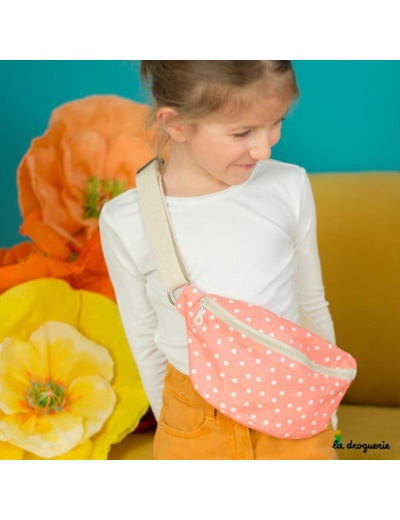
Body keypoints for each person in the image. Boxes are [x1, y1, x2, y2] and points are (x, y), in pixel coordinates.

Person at [99, 60, 337, 459]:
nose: (265, 148)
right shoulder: (126, 220)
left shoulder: (289, 185)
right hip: (191, 421)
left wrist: (326, 411)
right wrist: (173, 428)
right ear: (176, 124)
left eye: (276, 122)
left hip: (295, 406)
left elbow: (311, 304)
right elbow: (145, 339)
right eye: (243, 132)